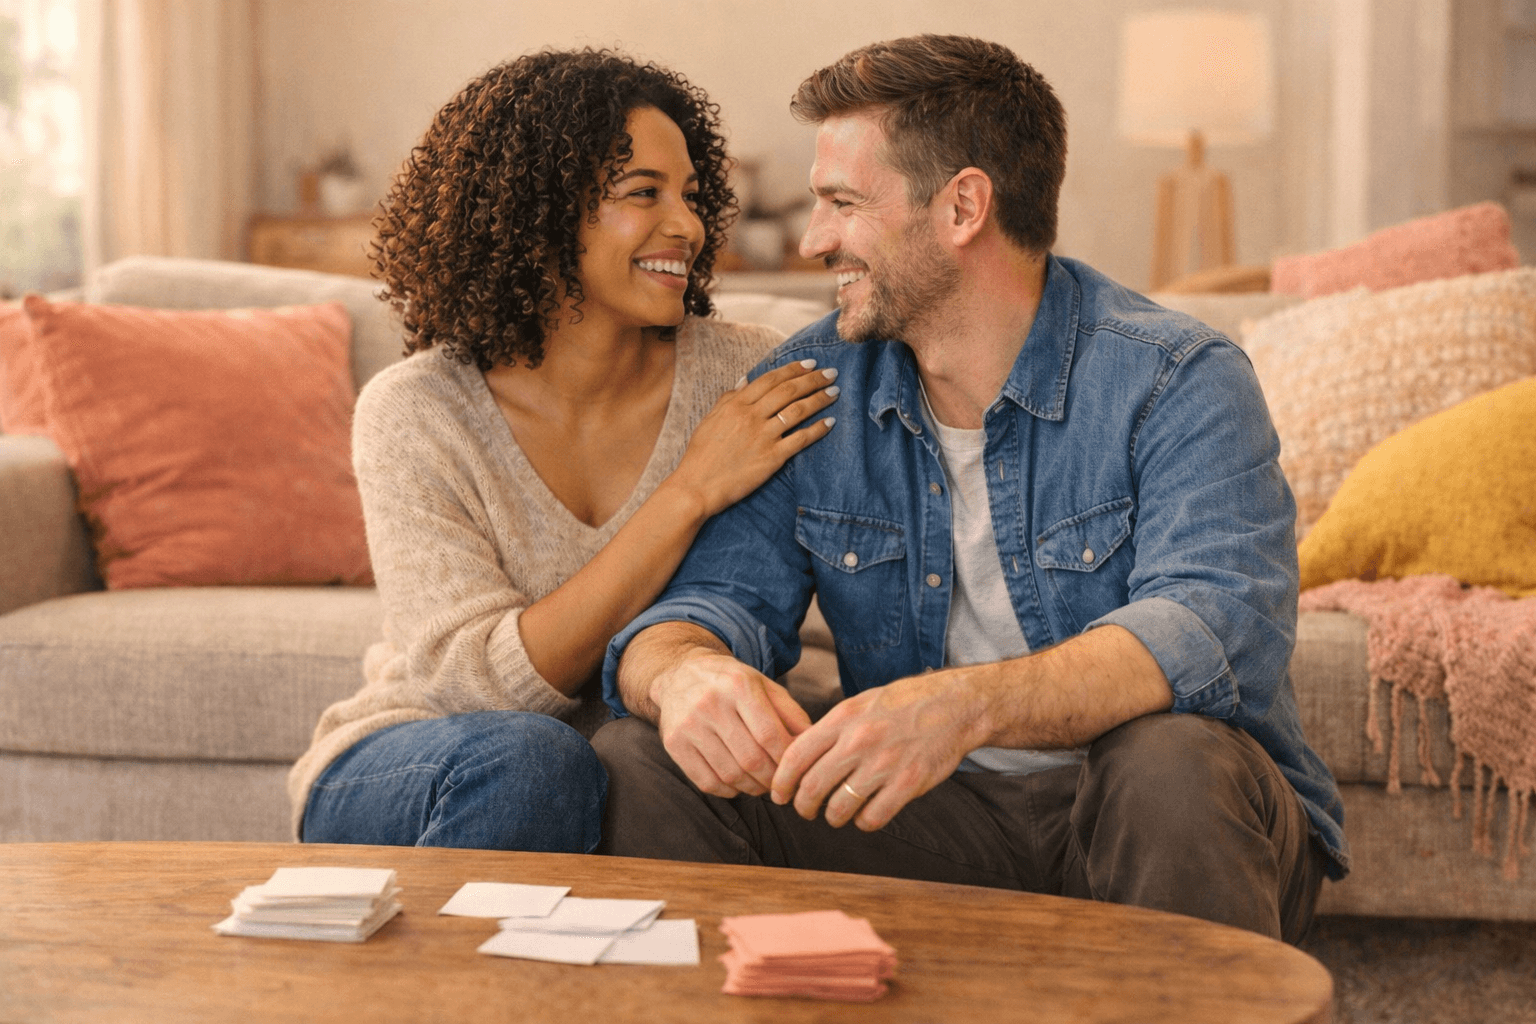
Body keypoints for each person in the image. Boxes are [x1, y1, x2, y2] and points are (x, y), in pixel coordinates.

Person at [592, 34, 1348, 943]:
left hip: (1148, 816)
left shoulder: (1175, 377)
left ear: (962, 207)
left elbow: (1214, 625)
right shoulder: (813, 385)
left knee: (1169, 758)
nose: (812, 238)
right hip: (932, 821)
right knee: (640, 754)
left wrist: (962, 706)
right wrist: (685, 674)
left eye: (841, 203)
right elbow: (705, 606)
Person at [287, 49, 840, 852]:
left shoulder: (747, 374)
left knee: (619, 767)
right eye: (641, 194)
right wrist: (688, 491)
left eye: (690, 194)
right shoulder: (417, 411)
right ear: (535, 212)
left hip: (646, 763)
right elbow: (475, 686)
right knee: (537, 760)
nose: (687, 225)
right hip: (433, 757)